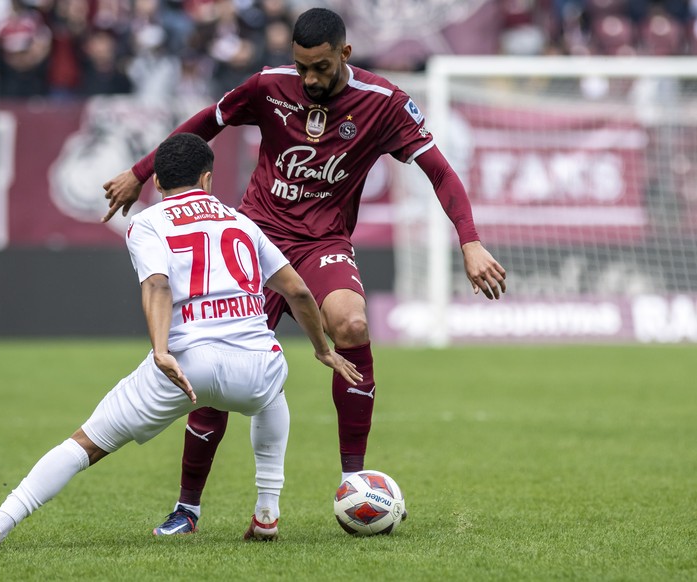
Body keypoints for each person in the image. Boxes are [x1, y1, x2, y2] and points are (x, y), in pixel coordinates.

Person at [101, 7, 507, 536]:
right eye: (302, 67)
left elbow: (441, 172)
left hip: (323, 243)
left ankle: (354, 482)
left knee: (354, 326)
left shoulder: (383, 105)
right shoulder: (269, 86)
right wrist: (140, 172)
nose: (309, 79)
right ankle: (188, 508)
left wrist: (470, 241)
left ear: (345, 54)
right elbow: (205, 123)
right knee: (215, 360)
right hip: (255, 239)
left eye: (320, 68)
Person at [0, 133, 362, 548]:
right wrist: (322, 349)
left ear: (158, 184)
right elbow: (298, 292)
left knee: (86, 444)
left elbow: (157, 285)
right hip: (257, 364)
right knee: (272, 393)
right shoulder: (241, 221)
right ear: (207, 179)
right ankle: (267, 512)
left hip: (187, 364)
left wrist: (162, 350)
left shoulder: (147, 222)